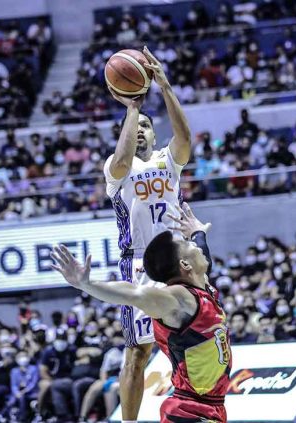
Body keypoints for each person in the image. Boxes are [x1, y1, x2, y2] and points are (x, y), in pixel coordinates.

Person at [50, 203, 231, 423]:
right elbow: (133, 293)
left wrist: (197, 232)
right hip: (190, 411)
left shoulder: (203, 286)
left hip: (212, 408)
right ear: (185, 263)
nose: (196, 245)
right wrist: (87, 284)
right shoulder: (177, 299)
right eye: (188, 243)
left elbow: (204, 260)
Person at [102, 46, 192, 422]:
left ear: (154, 135)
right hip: (138, 263)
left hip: (178, 261)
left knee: (187, 346)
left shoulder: (167, 161)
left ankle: (190, 413)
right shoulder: (114, 166)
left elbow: (185, 139)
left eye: (145, 127)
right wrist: (133, 106)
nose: (139, 131)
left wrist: (165, 86)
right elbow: (123, 161)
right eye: (133, 127)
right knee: (137, 353)